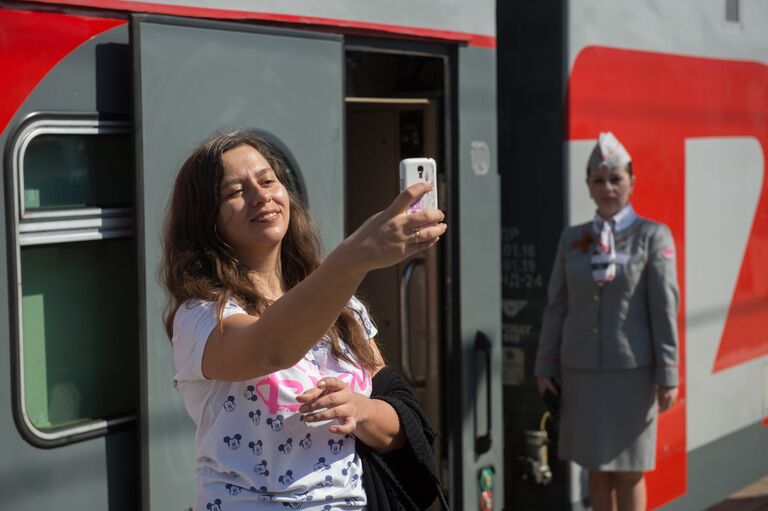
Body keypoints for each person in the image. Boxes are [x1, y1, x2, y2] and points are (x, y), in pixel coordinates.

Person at [161, 130, 447, 510]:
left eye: (267, 180)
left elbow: (401, 424)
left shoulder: (341, 307)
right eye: (235, 192)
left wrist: (359, 411)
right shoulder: (200, 315)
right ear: (205, 220)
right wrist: (357, 255)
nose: (260, 195)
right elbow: (270, 348)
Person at [534, 132, 679, 511]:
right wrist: (545, 363)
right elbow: (557, 305)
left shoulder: (652, 235)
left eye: (616, 179)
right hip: (581, 371)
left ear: (632, 183)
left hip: (633, 374)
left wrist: (668, 373)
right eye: (598, 180)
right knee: (595, 470)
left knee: (630, 471)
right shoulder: (573, 239)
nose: (607, 187)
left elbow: (664, 308)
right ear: (588, 186)